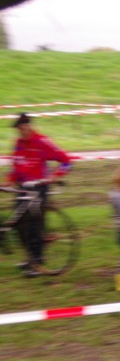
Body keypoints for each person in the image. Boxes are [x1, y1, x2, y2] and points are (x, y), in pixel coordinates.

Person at [7, 112, 73, 276]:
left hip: (38, 189)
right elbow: (16, 166)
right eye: (18, 129)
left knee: (34, 226)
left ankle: (37, 263)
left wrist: (55, 176)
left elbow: (66, 161)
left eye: (23, 127)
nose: (21, 131)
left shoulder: (42, 142)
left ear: (29, 126)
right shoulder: (19, 144)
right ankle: (31, 257)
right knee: (17, 224)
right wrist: (8, 181)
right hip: (22, 189)